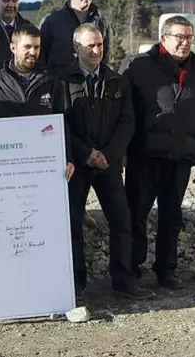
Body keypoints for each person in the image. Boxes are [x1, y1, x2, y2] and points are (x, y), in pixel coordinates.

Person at [58, 24, 152, 300]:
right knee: (72, 222)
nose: (97, 50)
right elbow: (61, 123)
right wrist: (85, 153)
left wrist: (108, 154)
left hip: (107, 164)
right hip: (77, 163)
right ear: (76, 49)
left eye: (100, 44)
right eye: (90, 46)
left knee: (122, 220)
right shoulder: (63, 82)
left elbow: (127, 122)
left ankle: (123, 280)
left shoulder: (116, 81)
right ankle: (76, 284)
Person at [120, 15, 195, 288]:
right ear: (164, 38)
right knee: (136, 215)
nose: (185, 43)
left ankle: (166, 270)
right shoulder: (138, 66)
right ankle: (132, 270)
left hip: (181, 156)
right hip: (144, 156)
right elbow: (124, 111)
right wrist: (123, 150)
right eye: (179, 37)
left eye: (189, 37)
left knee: (172, 217)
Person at [0, 24, 73, 176]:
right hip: (3, 168)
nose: (33, 52)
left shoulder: (51, 83)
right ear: (13, 48)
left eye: (37, 47)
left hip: (41, 165)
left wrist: (68, 157)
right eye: (27, 47)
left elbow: (63, 123)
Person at [40, 0, 112, 73]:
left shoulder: (101, 21)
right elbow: (41, 56)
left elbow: (105, 55)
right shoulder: (51, 22)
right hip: (60, 83)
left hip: (92, 83)